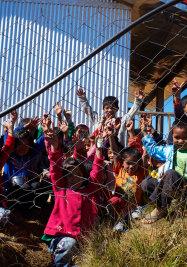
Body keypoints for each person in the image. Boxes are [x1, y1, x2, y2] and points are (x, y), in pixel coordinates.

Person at [40, 116, 104, 267]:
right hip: (60, 237)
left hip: (82, 239)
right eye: (69, 175)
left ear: (83, 175)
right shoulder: (61, 189)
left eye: (77, 174)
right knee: (69, 244)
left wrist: (100, 145)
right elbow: (55, 168)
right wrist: (55, 146)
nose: (73, 178)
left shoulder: (88, 190)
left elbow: (97, 171)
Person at [76, 88, 144, 144]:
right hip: (100, 149)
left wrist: (138, 101)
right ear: (103, 109)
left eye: (112, 107)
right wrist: (83, 99)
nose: (110, 110)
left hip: (117, 150)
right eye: (107, 108)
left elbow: (130, 114)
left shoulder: (120, 121)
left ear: (117, 109)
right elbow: (88, 111)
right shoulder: (99, 120)